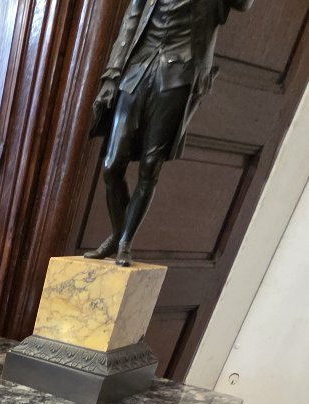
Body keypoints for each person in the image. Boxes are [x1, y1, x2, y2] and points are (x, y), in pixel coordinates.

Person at [87, 0, 254, 266]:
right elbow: (131, 22)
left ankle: (125, 243)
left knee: (151, 165)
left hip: (179, 74)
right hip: (138, 68)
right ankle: (119, 233)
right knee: (111, 165)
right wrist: (111, 74)